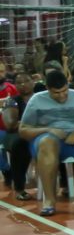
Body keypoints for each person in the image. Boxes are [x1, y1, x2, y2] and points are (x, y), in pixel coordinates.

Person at [18, 69, 74, 216]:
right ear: (48, 89)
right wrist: (49, 129)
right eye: (56, 93)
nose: (62, 95)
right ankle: (49, 200)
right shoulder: (37, 100)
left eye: (65, 91)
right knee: (47, 144)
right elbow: (23, 130)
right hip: (48, 139)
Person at [1, 71, 35, 200]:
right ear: (15, 85)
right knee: (20, 144)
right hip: (16, 135)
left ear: (33, 82)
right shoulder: (12, 101)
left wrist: (23, 123)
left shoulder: (41, 97)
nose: (23, 85)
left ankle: (65, 185)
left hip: (39, 132)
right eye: (19, 83)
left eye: (26, 81)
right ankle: (19, 188)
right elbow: (10, 125)